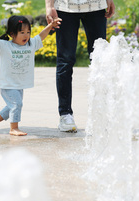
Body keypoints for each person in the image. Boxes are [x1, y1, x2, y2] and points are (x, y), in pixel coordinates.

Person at [45, 0, 115, 132]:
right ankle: (65, 114)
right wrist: (49, 5)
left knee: (99, 60)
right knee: (65, 60)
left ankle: (101, 114)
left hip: (96, 6)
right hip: (65, 7)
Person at [0, 15, 61, 136]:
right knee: (17, 104)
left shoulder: (30, 44)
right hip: (8, 84)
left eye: (28, 32)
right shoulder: (5, 46)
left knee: (11, 106)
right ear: (12, 34)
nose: (26, 35)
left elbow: (40, 37)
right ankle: (13, 128)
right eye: (22, 32)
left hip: (19, 84)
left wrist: (50, 26)